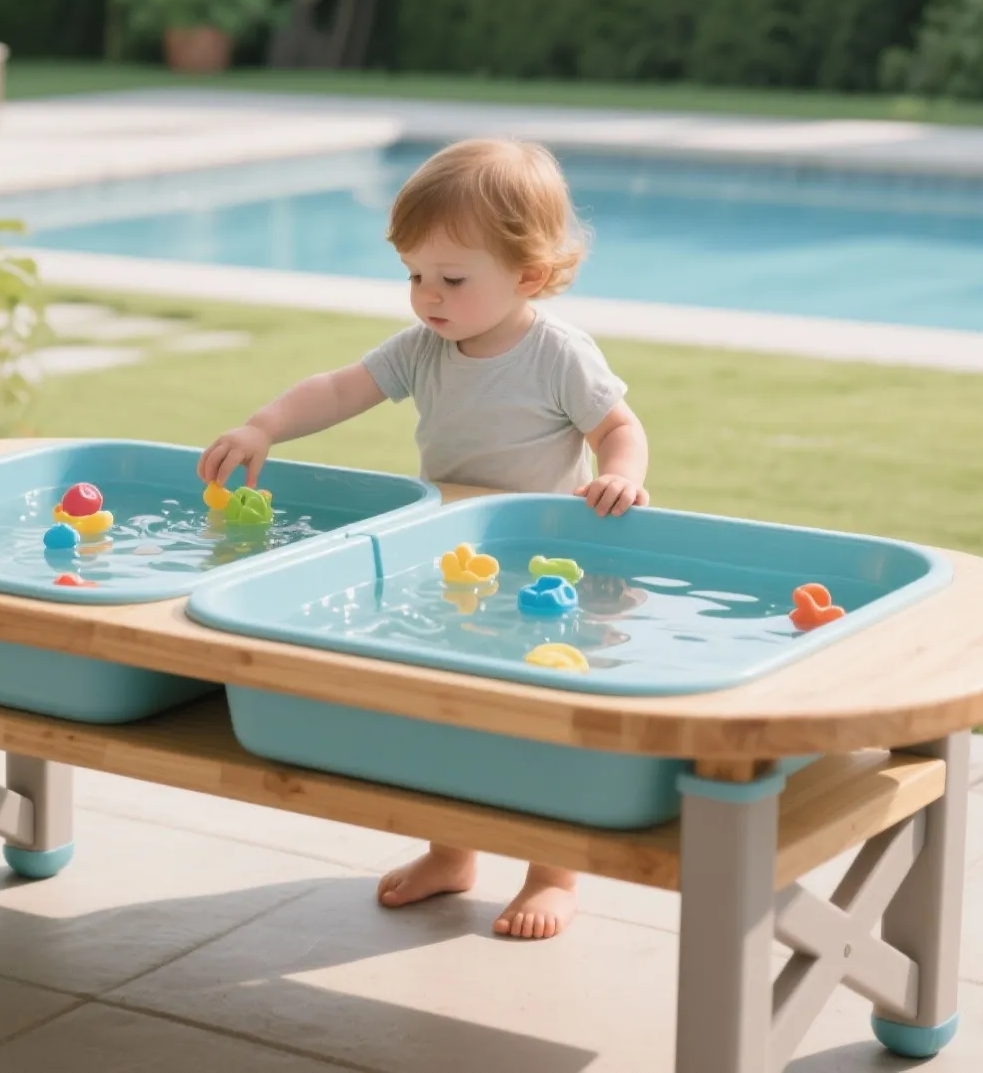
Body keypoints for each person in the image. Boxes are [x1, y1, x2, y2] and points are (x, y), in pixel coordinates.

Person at [197, 137, 650, 940]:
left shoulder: (558, 355)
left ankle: (554, 873)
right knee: (451, 710)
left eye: (450, 279)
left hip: (544, 567)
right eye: (413, 275)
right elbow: (342, 387)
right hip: (461, 564)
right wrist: (265, 424)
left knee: (540, 714)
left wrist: (618, 474)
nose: (426, 296)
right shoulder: (426, 348)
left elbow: (619, 426)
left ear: (529, 277)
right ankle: (453, 853)